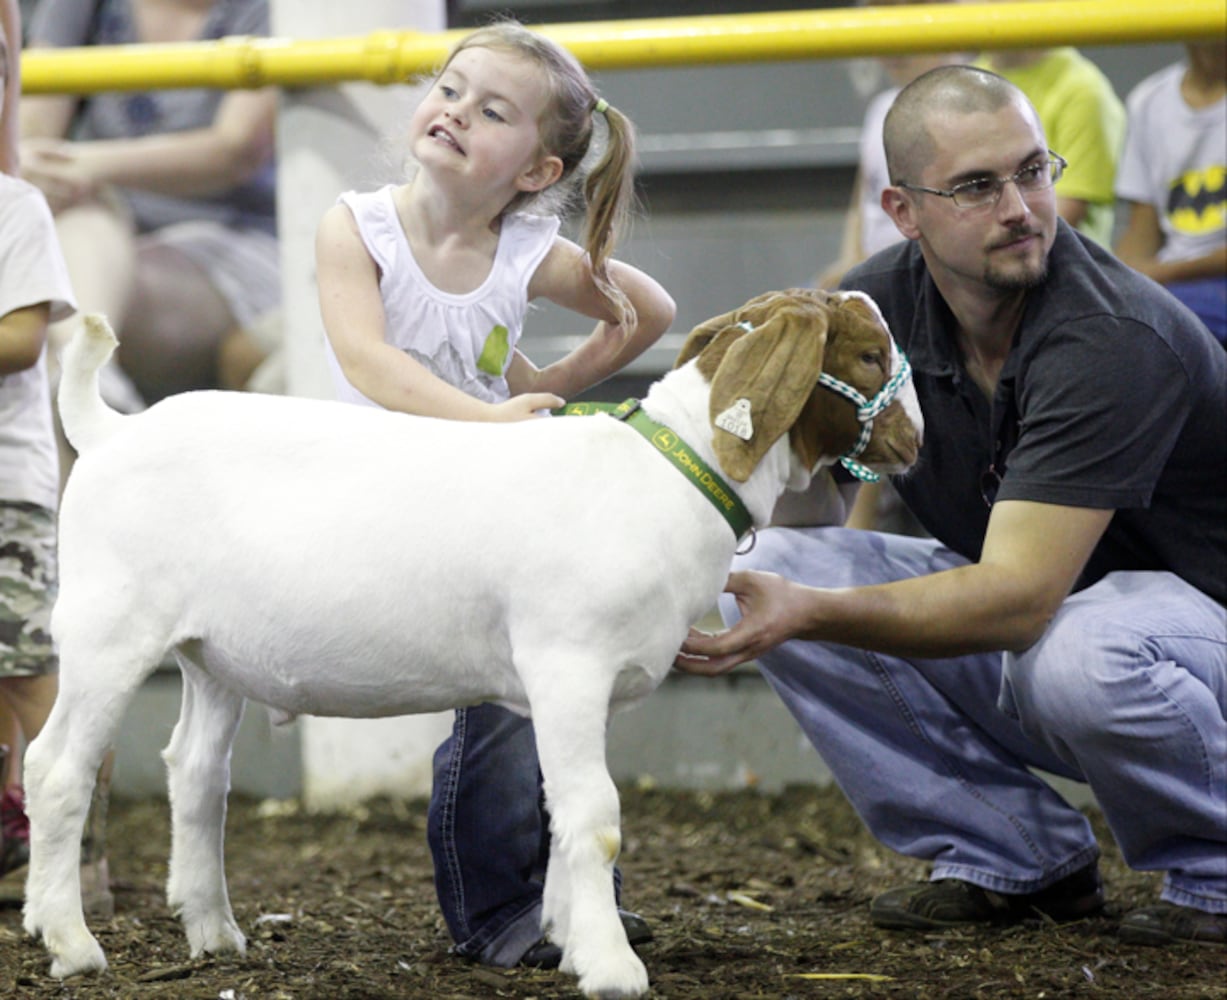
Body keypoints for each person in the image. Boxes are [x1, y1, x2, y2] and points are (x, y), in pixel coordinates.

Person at [678, 65, 1227, 948]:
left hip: (1186, 646)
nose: (1019, 207)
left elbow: (1017, 599)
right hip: (1056, 636)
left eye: (1032, 171)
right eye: (977, 185)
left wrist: (814, 615)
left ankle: (1216, 871)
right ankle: (1011, 854)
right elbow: (804, 508)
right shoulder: (878, 309)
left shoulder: (1113, 337)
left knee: (1080, 653)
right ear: (903, 211)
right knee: (760, 571)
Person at [315, 20, 676, 968]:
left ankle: (571, 895)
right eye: (450, 88)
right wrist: (495, 414)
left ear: (535, 171)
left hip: (500, 503)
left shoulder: (523, 249)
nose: (454, 113)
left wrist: (550, 385)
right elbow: (371, 361)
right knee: (498, 703)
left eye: (492, 111)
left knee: (541, 696)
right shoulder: (359, 225)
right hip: (395, 494)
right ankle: (494, 908)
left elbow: (651, 310)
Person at [19, 0, 280, 412]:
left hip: (242, 241)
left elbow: (237, 149)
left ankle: (84, 387)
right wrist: (36, 164)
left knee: (51, 297)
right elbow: (30, 133)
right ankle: (87, 379)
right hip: (101, 227)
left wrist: (79, 165)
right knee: (65, 262)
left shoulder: (266, 8)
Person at [0, 0, 74, 879]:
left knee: (26, 667)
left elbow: (21, 341)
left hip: (6, 492)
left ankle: (71, 842)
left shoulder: (14, 209)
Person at [1114, 40, 1226, 346]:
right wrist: (1119, 281)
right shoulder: (1149, 100)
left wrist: (1162, 275)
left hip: (1187, 284)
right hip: (1171, 283)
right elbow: (1142, 229)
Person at [976, 39, 1125, 246]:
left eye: (1033, 173)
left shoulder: (1083, 91)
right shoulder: (968, 80)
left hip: (1061, 266)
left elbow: (1059, 221)